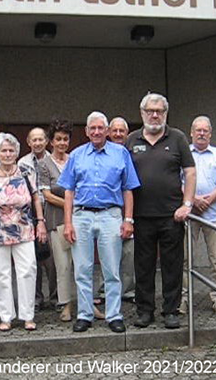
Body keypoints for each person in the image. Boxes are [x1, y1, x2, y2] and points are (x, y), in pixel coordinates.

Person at [58, 111, 140, 333]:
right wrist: (68, 223)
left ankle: (114, 315)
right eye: (92, 128)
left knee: (111, 269)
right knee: (82, 269)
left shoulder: (121, 153)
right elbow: (69, 191)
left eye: (100, 128)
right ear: (86, 131)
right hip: (82, 215)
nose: (96, 132)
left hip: (110, 215)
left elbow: (128, 189)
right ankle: (85, 315)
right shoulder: (76, 155)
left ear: (107, 131)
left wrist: (128, 219)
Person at [126, 93, 196, 330]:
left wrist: (187, 204)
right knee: (143, 266)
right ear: (142, 113)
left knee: (172, 266)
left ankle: (171, 311)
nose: (154, 115)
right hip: (141, 215)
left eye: (159, 111)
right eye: (150, 111)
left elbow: (190, 172)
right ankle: (145, 311)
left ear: (165, 113)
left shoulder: (177, 138)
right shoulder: (131, 140)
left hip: (172, 215)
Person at [0, 133, 47, 332]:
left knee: (28, 270)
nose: (7, 154)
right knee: (0, 273)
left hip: (24, 229)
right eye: (3, 151)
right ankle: (6, 317)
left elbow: (36, 198)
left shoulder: (25, 172)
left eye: (11, 150)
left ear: (16, 152)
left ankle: (28, 316)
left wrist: (40, 222)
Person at [179, 116, 216, 316]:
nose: (201, 134)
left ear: (210, 134)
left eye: (205, 131)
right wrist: (193, 199)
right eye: (198, 130)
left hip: (214, 214)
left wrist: (208, 200)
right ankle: (184, 299)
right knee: (185, 259)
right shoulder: (183, 153)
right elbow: (178, 182)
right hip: (190, 214)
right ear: (191, 132)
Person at [96, 117, 136, 303]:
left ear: (127, 134)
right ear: (108, 133)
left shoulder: (132, 154)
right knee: (107, 252)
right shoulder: (101, 154)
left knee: (129, 253)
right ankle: (105, 291)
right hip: (107, 211)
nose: (118, 134)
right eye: (115, 131)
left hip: (130, 210)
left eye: (122, 131)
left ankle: (127, 291)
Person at [18, 127, 57, 311]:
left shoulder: (53, 160)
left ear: (47, 141)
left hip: (51, 209)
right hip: (30, 213)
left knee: (52, 257)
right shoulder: (22, 163)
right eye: (34, 139)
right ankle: (36, 298)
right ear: (28, 142)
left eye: (41, 139)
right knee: (32, 257)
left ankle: (56, 297)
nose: (38, 143)